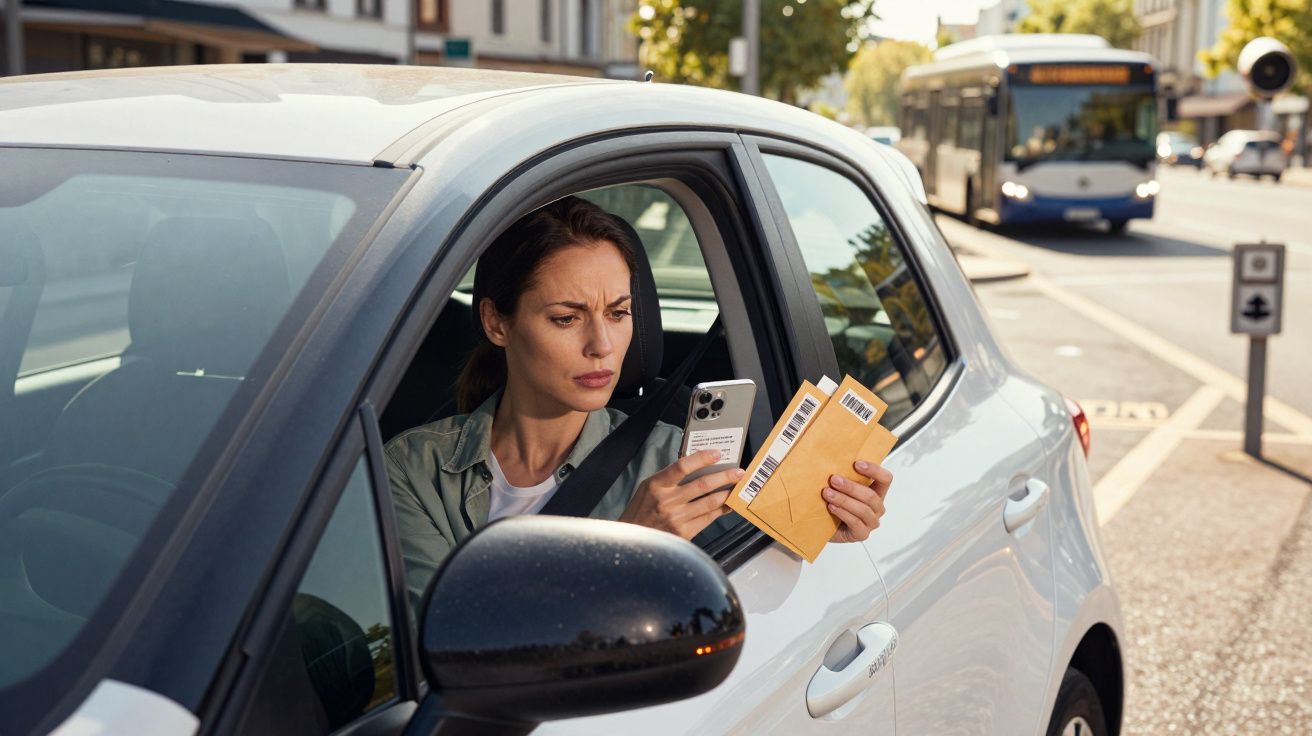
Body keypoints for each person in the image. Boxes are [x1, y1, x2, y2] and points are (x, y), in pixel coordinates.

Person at [384, 196, 893, 603]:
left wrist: (829, 520)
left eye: (619, 313)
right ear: (497, 322)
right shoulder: (411, 468)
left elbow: (756, 581)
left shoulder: (677, 464)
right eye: (567, 317)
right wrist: (624, 543)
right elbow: (443, 649)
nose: (602, 347)